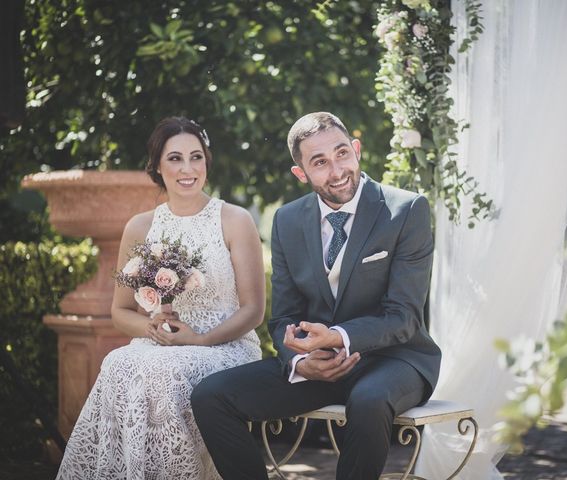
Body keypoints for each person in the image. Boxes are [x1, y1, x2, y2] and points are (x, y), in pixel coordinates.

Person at [191, 111, 442, 480]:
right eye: (320, 162)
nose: (337, 170)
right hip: (319, 365)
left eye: (342, 154)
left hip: (396, 360)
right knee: (210, 396)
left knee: (368, 399)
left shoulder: (406, 210)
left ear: (357, 150)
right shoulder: (287, 220)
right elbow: (284, 318)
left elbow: (404, 316)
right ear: (301, 173)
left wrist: (340, 337)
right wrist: (297, 362)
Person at [56, 117, 265, 480]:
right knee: (117, 363)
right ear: (156, 166)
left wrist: (198, 339)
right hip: (162, 342)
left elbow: (254, 310)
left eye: (196, 157)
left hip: (226, 344)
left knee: (162, 372)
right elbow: (121, 312)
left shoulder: (234, 220)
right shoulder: (140, 226)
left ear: (206, 162)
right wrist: (151, 326)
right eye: (175, 159)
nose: (188, 169)